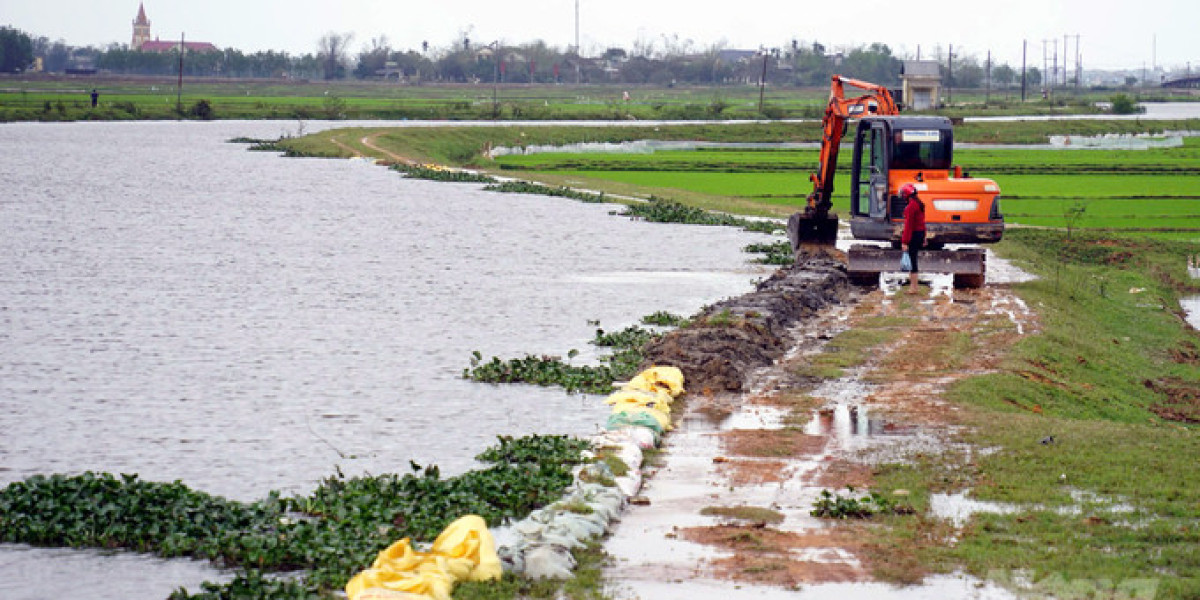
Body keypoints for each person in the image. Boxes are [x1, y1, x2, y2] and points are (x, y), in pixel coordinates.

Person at [899, 183, 926, 294]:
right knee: (913, 259)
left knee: (912, 260)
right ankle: (914, 287)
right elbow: (922, 223)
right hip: (920, 234)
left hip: (914, 235)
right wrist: (924, 237)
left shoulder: (911, 207)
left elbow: (908, 226)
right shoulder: (919, 204)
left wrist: (904, 242)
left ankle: (913, 288)